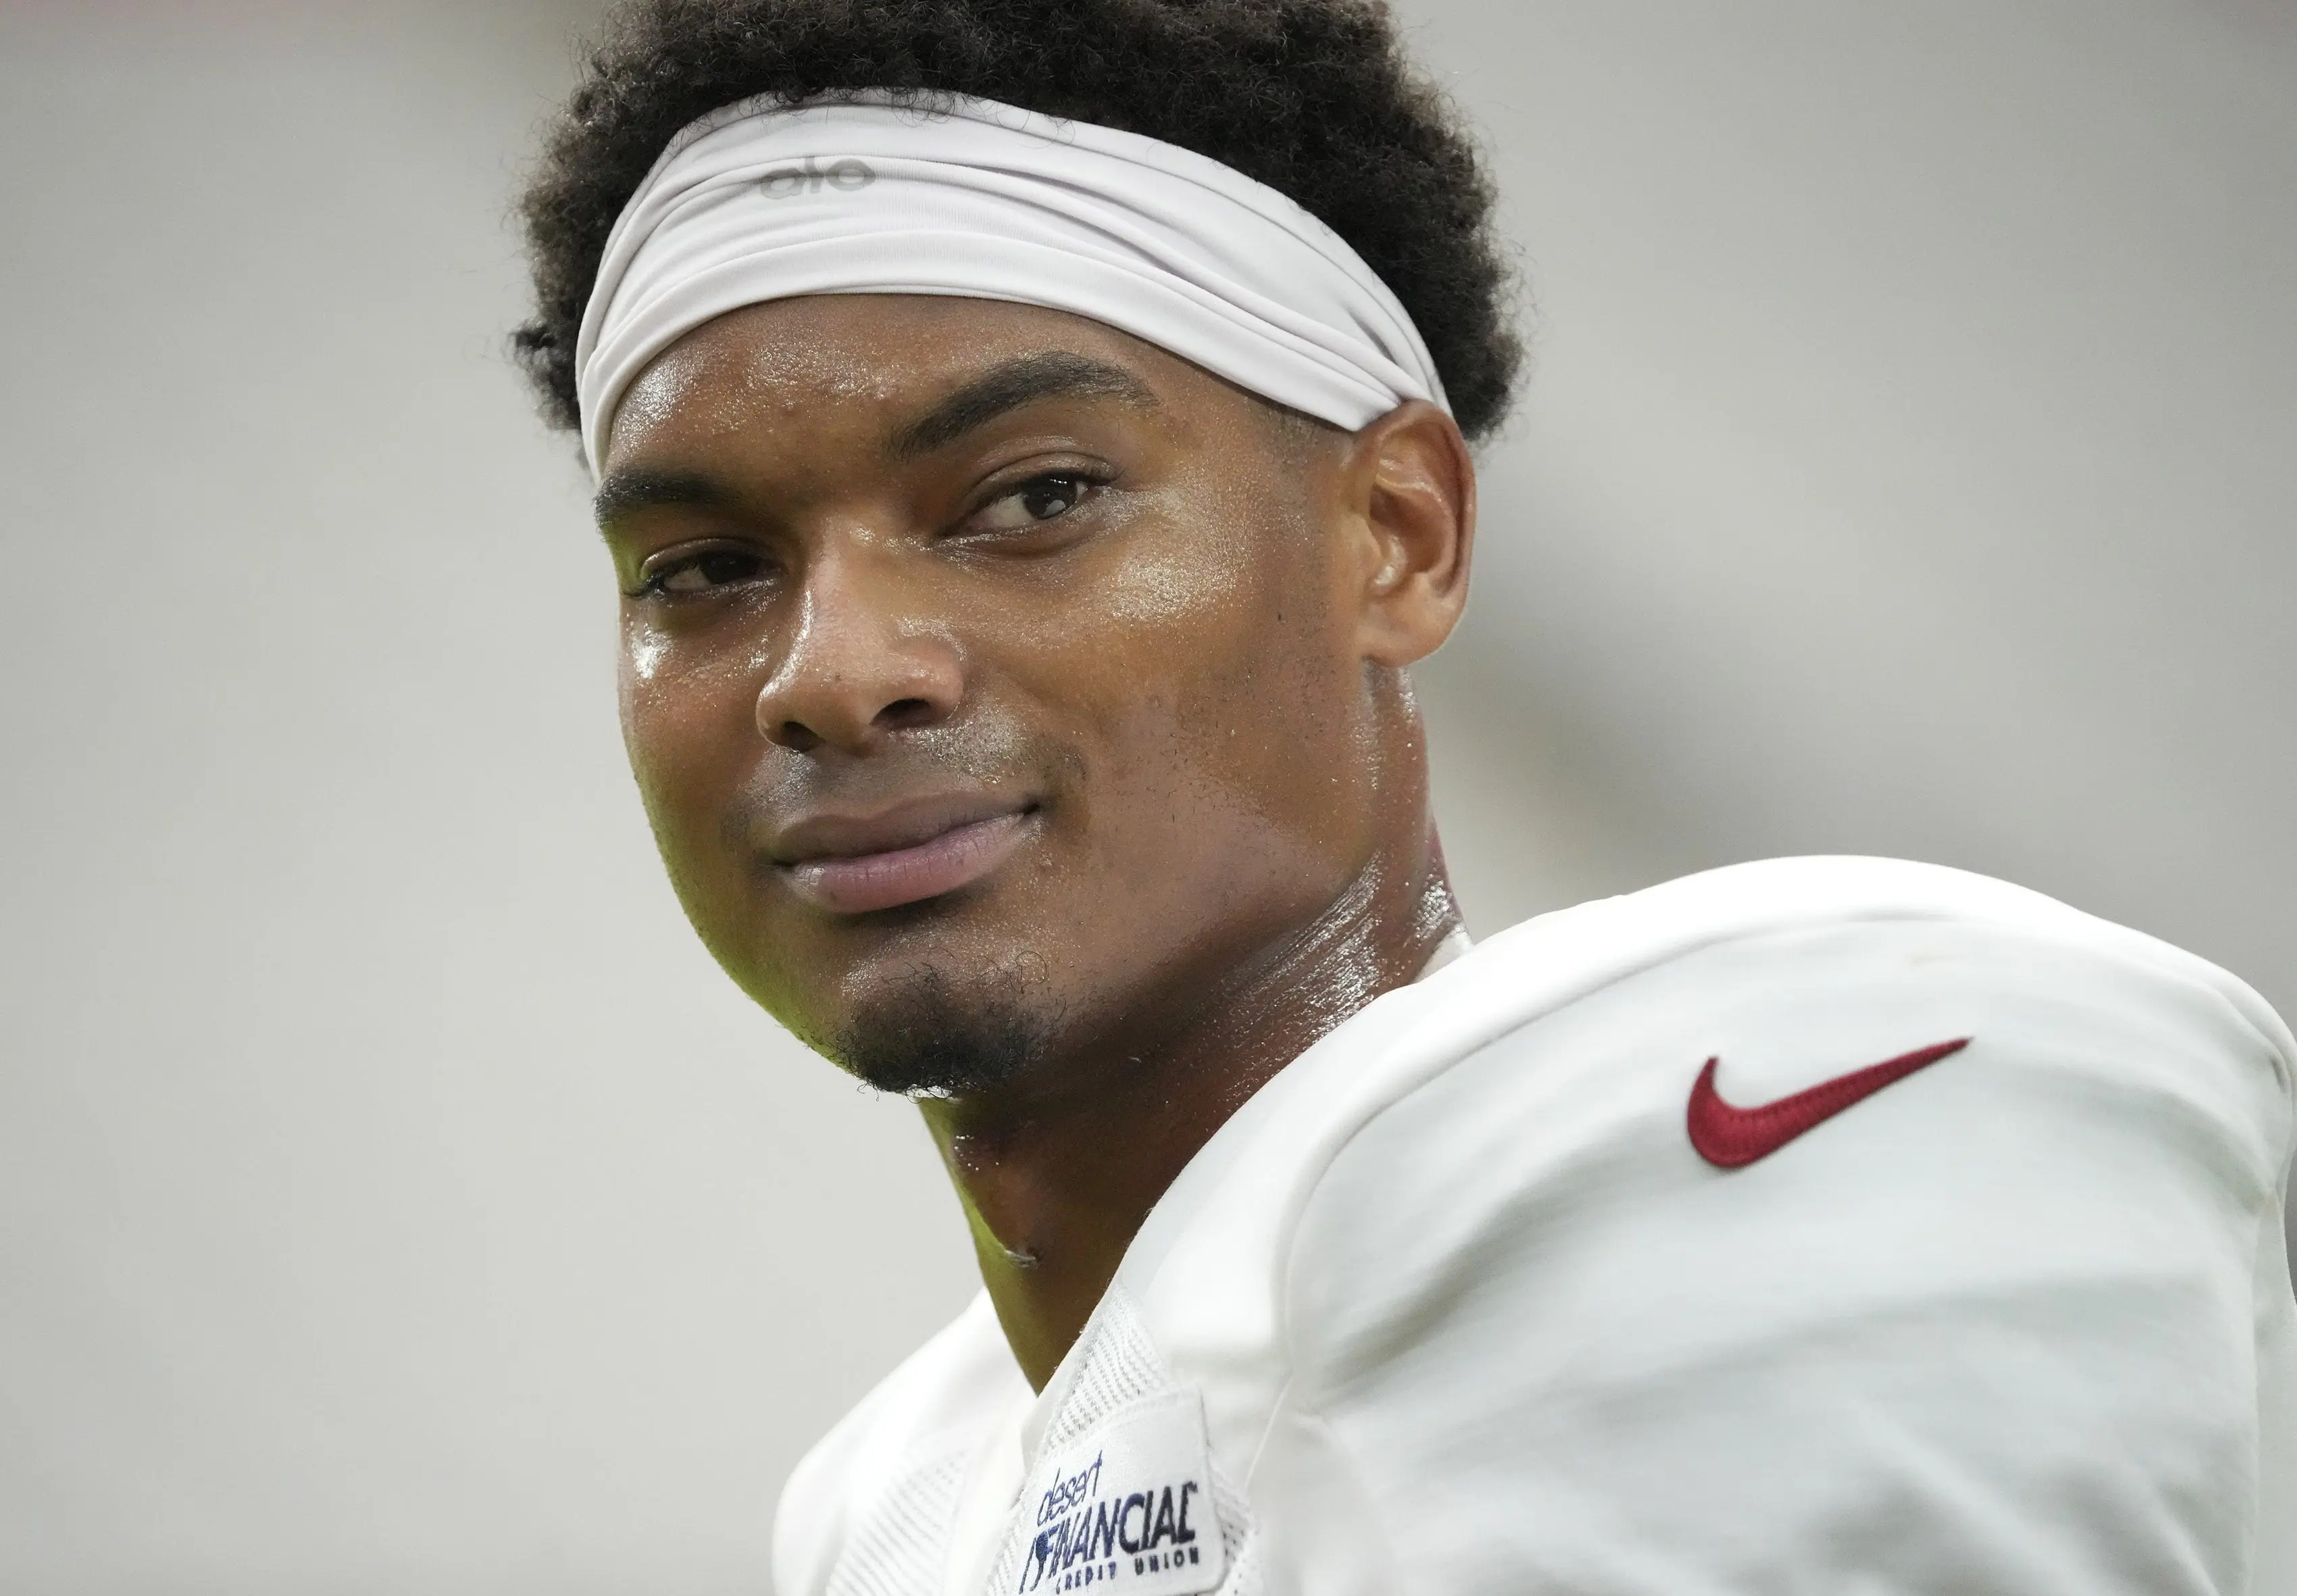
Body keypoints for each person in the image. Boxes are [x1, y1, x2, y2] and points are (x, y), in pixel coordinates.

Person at [513, 2, 2297, 1591]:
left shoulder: (1731, 1103)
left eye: (1036, 497)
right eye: (702, 568)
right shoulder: (894, 1501)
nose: (831, 671)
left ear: (1398, 533)